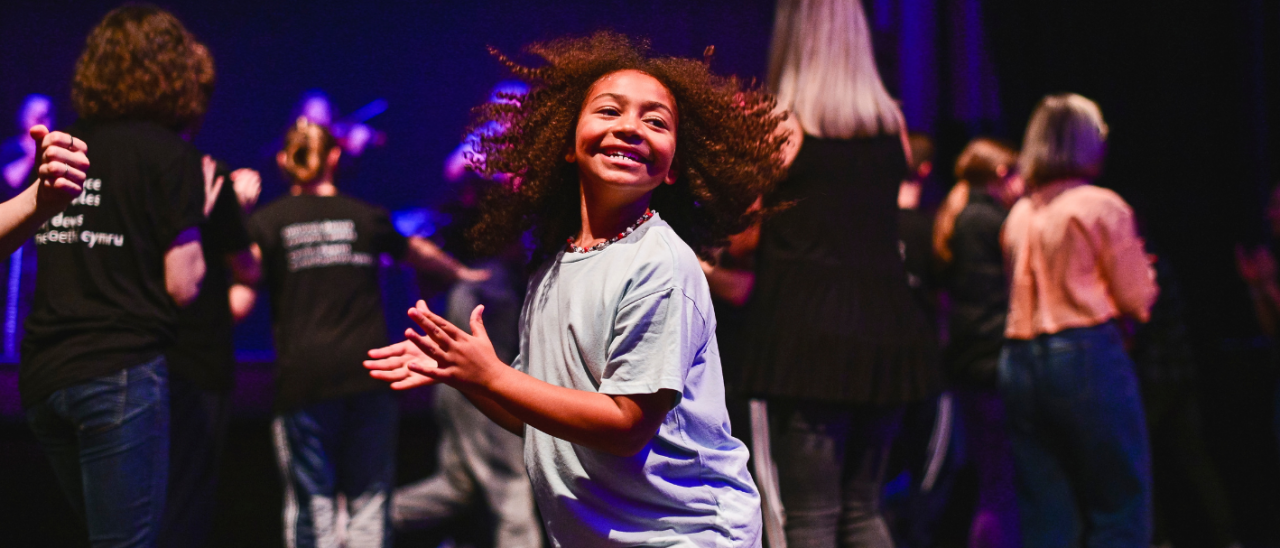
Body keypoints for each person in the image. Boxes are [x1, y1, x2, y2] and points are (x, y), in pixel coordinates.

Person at [364, 31, 785, 547]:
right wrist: (466, 375)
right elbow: (538, 416)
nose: (630, 127)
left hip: (684, 535)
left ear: (673, 166)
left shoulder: (659, 263)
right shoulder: (554, 267)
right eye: (609, 111)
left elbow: (626, 424)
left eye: (655, 121)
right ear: (566, 143)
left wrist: (491, 374)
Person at [732, 0, 941, 545]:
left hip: (806, 335)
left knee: (811, 516)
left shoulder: (778, 125)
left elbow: (739, 237)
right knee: (863, 511)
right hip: (887, 329)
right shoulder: (892, 123)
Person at [239, 117, 485, 548]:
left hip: (305, 380)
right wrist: (464, 272)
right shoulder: (365, 217)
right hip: (369, 375)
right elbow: (419, 253)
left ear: (283, 160)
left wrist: (233, 215)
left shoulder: (268, 222)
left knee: (312, 504)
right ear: (335, 156)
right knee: (370, 501)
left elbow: (246, 270)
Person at [21, 5, 212, 547]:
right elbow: (182, 283)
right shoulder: (168, 155)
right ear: (171, 70)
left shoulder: (60, 147)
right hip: (119, 372)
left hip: (43, 376)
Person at [999, 93, 1157, 547]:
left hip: (1018, 359)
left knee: (1046, 512)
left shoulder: (1019, 214)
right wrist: (1145, 277)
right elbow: (1136, 300)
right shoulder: (1100, 205)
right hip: (1085, 353)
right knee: (1119, 505)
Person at [391, 82, 542, 548]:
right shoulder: (485, 155)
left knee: (461, 485)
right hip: (481, 305)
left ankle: (362, 519)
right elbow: (456, 169)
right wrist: (495, 138)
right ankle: (359, 520)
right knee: (505, 474)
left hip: (513, 307)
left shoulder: (542, 161)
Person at [934, 138, 1023, 548]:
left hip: (969, 360)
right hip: (993, 361)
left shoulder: (958, 215)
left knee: (990, 482)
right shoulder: (990, 220)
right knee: (1003, 484)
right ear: (1003, 175)